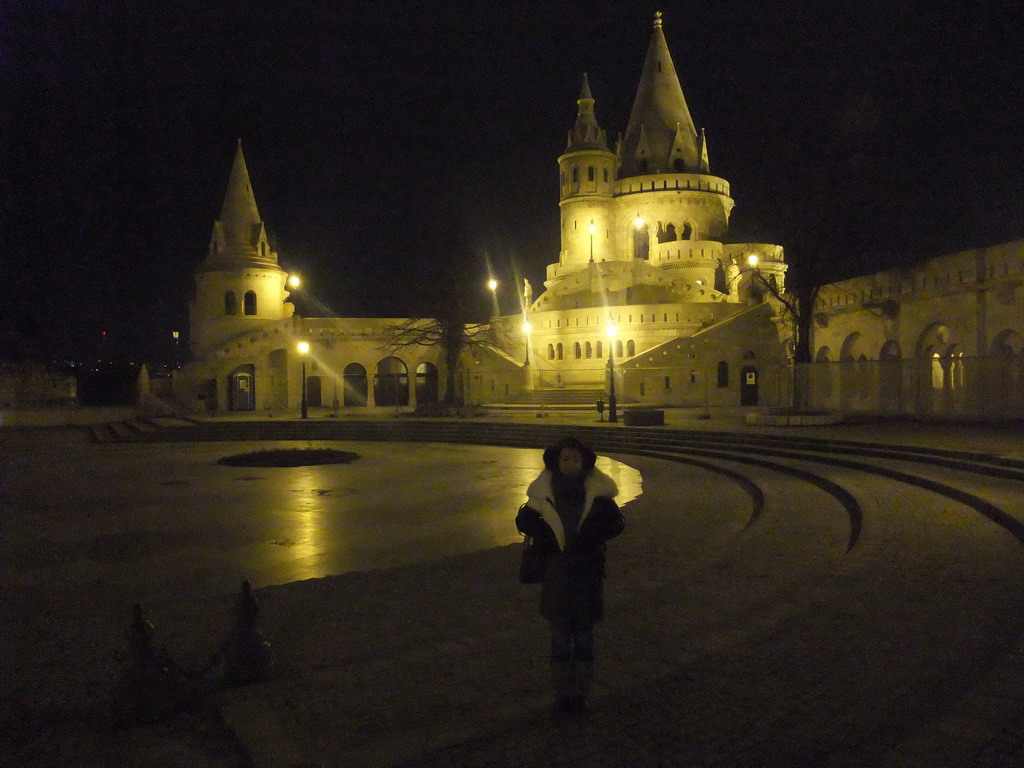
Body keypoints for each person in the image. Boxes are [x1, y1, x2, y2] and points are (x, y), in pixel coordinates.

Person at [516, 437, 624, 713]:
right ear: (556, 461)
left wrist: (592, 535)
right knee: (560, 638)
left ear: (584, 462)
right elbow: (523, 520)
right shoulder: (544, 492)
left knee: (585, 638)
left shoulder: (598, 492)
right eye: (565, 458)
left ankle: (582, 693)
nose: (570, 463)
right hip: (557, 576)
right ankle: (563, 694)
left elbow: (616, 523)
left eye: (575, 459)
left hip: (587, 574)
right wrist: (545, 534)